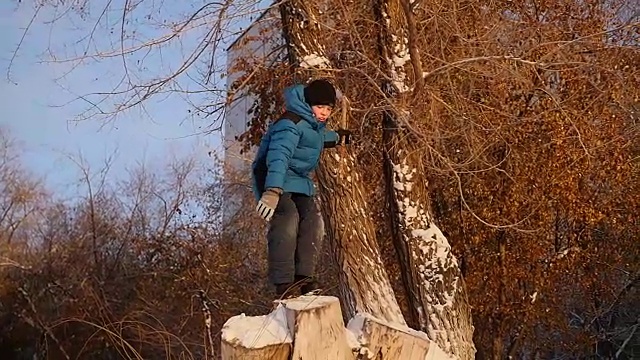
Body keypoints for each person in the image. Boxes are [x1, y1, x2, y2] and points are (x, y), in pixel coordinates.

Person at [251, 79, 351, 298]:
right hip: (272, 178)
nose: (324, 113)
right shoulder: (290, 123)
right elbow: (278, 156)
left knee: (313, 221)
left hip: (297, 181)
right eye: (320, 107)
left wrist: (339, 138)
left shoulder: (313, 126)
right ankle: (283, 281)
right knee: (288, 218)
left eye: (328, 108)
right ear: (308, 104)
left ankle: (304, 277)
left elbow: (317, 137)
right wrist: (272, 191)